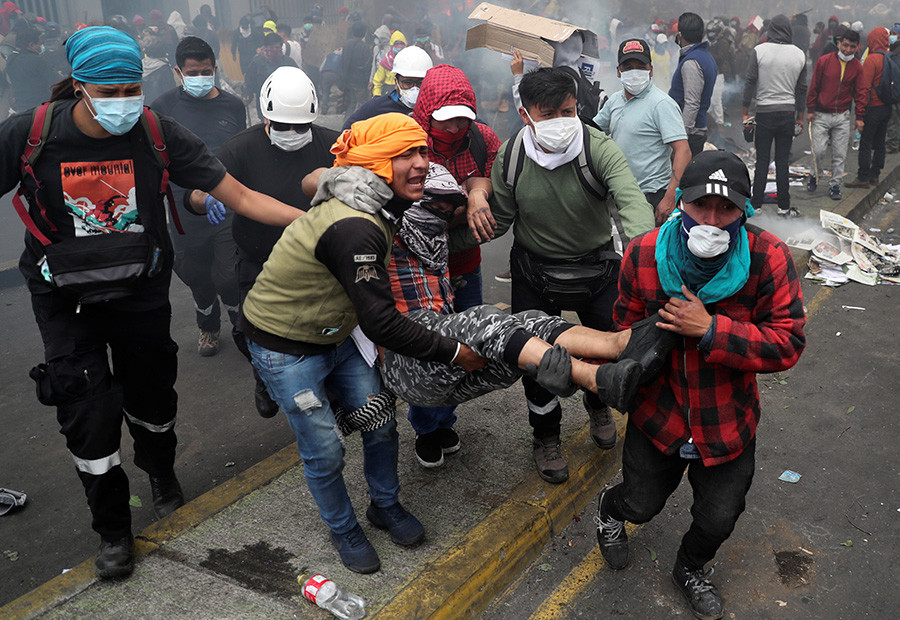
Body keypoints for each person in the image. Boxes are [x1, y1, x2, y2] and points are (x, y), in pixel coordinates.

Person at [0, 26, 302, 580]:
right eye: (108, 91)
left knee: (153, 397)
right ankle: (114, 529)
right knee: (86, 414)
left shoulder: (157, 133)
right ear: (79, 86)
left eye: (130, 88)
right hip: (64, 299)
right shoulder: (31, 133)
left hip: (141, 290)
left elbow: (239, 195)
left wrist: (315, 223)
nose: (122, 103)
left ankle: (161, 475)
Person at [241, 113, 484, 574]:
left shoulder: (373, 200)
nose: (419, 165)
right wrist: (455, 351)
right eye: (403, 154)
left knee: (380, 422)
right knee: (325, 449)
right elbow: (382, 322)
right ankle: (343, 528)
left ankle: (384, 504)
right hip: (287, 347)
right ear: (373, 163)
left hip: (338, 332)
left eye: (422, 152)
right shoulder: (358, 223)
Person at [594, 150, 806, 620]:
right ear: (679, 203)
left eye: (726, 209)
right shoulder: (644, 253)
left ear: (744, 212)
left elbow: (789, 342)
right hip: (659, 415)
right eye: (700, 206)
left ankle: (690, 566)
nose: (712, 220)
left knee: (719, 517)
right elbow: (621, 335)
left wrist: (711, 330)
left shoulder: (767, 256)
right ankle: (611, 512)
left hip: (726, 418)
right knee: (641, 502)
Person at [453, 67, 654, 484]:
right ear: (526, 116)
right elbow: (502, 220)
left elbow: (632, 205)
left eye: (568, 110)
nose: (562, 122)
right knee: (539, 365)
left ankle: (598, 405)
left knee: (607, 348)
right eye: (549, 115)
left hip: (597, 270)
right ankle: (546, 437)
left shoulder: (599, 149)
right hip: (534, 273)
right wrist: (453, 230)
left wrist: (646, 260)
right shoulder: (512, 157)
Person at [382, 163, 675, 443]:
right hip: (409, 364)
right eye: (435, 207)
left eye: (448, 210)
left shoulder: (437, 235)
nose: (443, 215)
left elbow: (476, 183)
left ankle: (622, 344)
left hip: (449, 370)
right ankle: (594, 378)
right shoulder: (383, 234)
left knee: (530, 323)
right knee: (484, 321)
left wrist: (475, 195)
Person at [194, 66, 339, 418]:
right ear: (265, 118)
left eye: (300, 126)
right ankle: (263, 374)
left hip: (319, 260)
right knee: (250, 330)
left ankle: (324, 385)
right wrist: (207, 198)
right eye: (283, 125)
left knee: (325, 327)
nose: (292, 133)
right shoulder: (240, 149)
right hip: (260, 259)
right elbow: (196, 190)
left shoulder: (332, 144)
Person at [408, 63, 501, 466]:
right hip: (421, 271)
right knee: (432, 350)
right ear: (426, 112)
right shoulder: (409, 142)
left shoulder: (483, 139)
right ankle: (427, 426)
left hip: (464, 264)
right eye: (445, 122)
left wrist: (480, 191)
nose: (455, 128)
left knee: (467, 344)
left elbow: (495, 181)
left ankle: (445, 416)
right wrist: (469, 194)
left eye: (463, 119)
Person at [151, 36, 246, 357]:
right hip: (182, 206)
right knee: (195, 273)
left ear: (215, 69)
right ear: (179, 72)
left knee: (229, 274)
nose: (200, 78)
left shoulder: (233, 105)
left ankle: (242, 325)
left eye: (206, 71)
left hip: (226, 202)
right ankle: (208, 326)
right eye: (192, 73)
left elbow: (240, 152)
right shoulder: (163, 107)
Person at [595, 39, 691, 224]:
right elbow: (592, 132)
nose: (634, 72)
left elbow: (683, 151)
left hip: (652, 196)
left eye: (640, 66)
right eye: (628, 67)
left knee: (648, 250)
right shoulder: (614, 101)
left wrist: (670, 198)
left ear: (651, 70)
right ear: (618, 71)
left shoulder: (661, 104)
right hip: (620, 193)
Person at [742, 14, 807, 218]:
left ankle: (757, 207)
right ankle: (784, 207)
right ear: (789, 30)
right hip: (787, 113)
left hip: (764, 113)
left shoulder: (760, 51)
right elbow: (802, 88)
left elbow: (750, 81)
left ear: (771, 29)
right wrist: (800, 117)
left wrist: (745, 111)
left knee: (762, 160)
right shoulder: (799, 54)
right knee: (781, 161)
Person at [805, 28, 865, 201]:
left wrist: (859, 117)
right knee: (819, 150)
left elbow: (860, 93)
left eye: (852, 47)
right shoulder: (824, 61)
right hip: (821, 114)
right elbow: (814, 86)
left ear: (857, 47)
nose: (847, 50)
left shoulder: (857, 67)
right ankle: (814, 175)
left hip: (842, 116)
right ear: (839, 43)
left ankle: (835, 184)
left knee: (840, 154)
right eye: (845, 45)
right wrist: (810, 110)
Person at [845, 27, 892, 188]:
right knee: (880, 143)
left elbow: (864, 87)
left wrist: (860, 111)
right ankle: (875, 175)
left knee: (865, 142)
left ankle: (862, 177)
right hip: (887, 107)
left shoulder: (872, 59)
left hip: (873, 107)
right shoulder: (890, 57)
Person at [343, 45, 432, 130]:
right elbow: (347, 131)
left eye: (421, 83)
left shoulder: (434, 109)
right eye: (408, 82)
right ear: (396, 83)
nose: (414, 88)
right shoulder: (377, 107)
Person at [669, 12, 717, 155]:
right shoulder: (705, 56)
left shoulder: (692, 61)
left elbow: (692, 103)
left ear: (680, 35)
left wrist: (680, 137)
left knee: (681, 176)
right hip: (693, 132)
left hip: (690, 135)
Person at [243, 32, 298, 120]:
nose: (275, 50)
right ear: (265, 47)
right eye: (272, 48)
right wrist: (247, 96)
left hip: (286, 106)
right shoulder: (256, 64)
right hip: (265, 107)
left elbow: (298, 81)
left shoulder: (289, 63)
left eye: (277, 47)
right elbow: (249, 83)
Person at [4, 26, 52, 114]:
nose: (42, 47)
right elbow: (56, 80)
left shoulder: (11, 59)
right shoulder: (37, 60)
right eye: (40, 44)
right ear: (31, 45)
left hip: (21, 109)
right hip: (41, 110)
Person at [341, 20, 369, 117]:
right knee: (363, 105)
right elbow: (367, 66)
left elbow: (343, 62)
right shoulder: (364, 47)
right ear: (364, 33)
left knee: (351, 104)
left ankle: (346, 126)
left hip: (348, 80)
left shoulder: (346, 44)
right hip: (360, 82)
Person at [372, 30, 406, 96]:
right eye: (396, 44)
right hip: (389, 93)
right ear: (392, 45)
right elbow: (378, 82)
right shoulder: (386, 61)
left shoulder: (410, 60)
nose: (399, 46)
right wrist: (377, 96)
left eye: (401, 43)